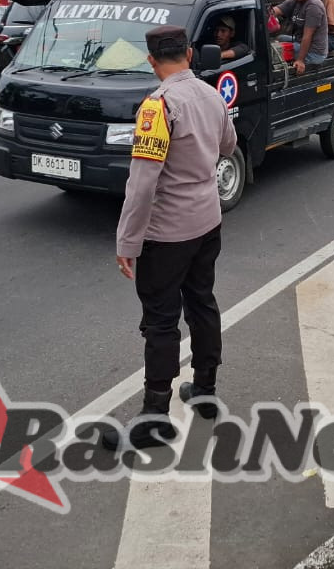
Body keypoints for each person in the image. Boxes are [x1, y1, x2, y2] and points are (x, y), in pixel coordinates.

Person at [105, 26, 238, 451]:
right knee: (202, 301)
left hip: (167, 234)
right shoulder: (211, 95)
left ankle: (154, 418)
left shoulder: (157, 107)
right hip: (207, 220)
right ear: (190, 54)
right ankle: (204, 390)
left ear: (151, 61)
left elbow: (142, 185)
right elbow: (227, 145)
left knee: (161, 321)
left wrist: (127, 242)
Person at [272, 0, 329, 75]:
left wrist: (300, 60)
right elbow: (274, 11)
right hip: (300, 43)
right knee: (281, 38)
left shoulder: (313, 6)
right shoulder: (295, 1)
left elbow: (307, 36)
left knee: (276, 50)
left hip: (314, 53)